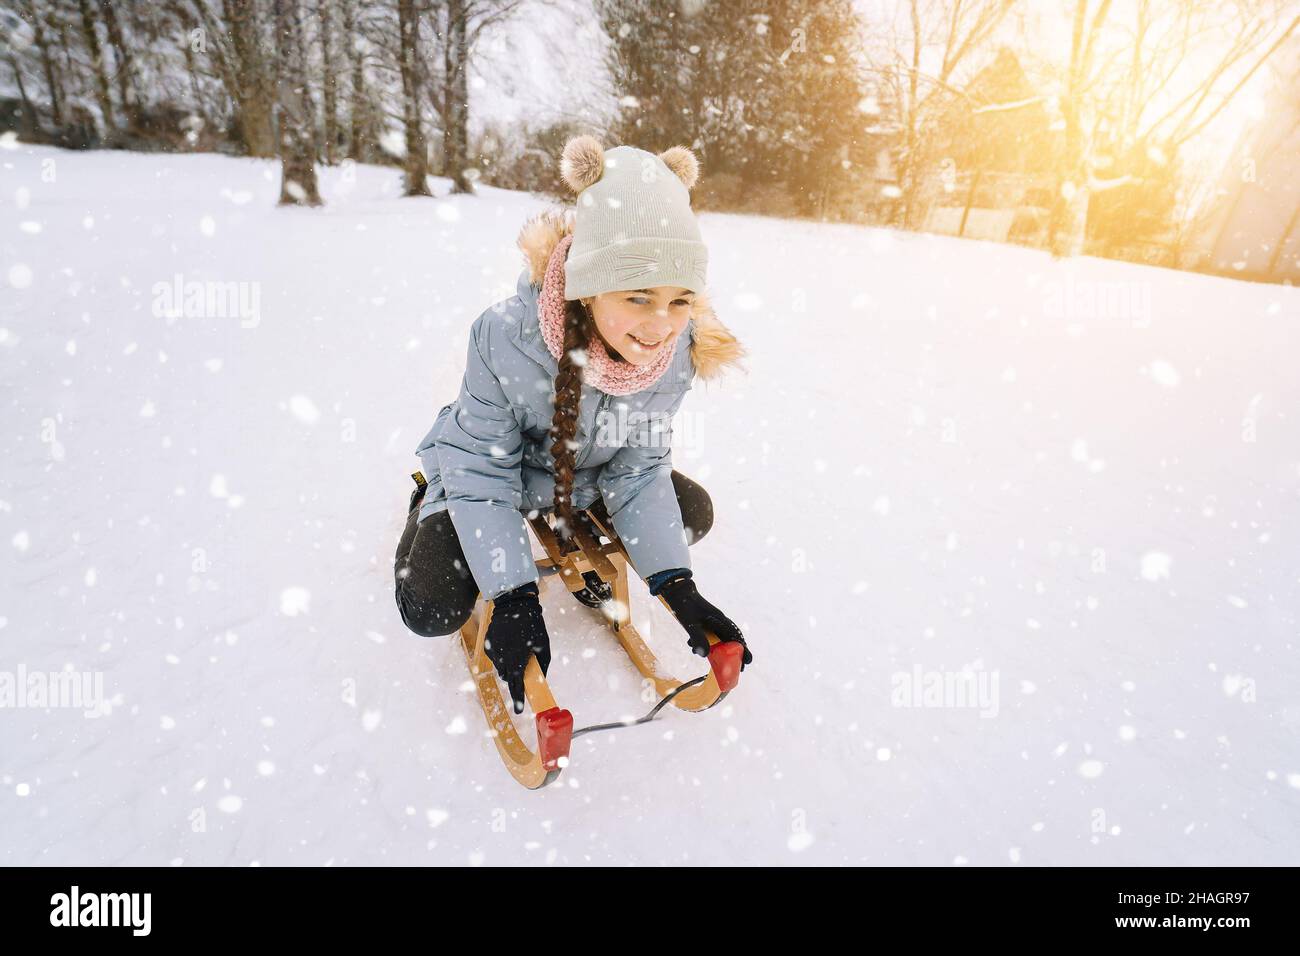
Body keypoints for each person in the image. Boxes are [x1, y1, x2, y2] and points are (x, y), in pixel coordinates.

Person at [394, 135, 753, 712]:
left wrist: (675, 585)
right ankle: (426, 504)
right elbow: (484, 474)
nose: (661, 324)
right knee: (431, 607)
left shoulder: (678, 349)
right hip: (490, 475)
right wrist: (513, 595)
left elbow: (638, 472)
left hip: (585, 480)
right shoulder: (504, 336)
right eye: (638, 296)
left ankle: (590, 533)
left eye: (680, 299)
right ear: (588, 287)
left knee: (691, 512)